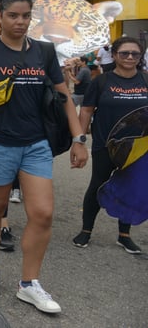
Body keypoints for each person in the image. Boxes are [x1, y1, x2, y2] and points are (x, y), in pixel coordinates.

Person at [0, 0, 88, 314]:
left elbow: (64, 96)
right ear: (1, 16)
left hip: (36, 145)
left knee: (42, 214)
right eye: (13, 15)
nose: (20, 21)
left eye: (26, 16)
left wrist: (78, 139)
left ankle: (29, 284)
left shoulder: (43, 52)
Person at [73, 36, 147, 255]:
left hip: (138, 148)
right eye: (124, 53)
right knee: (97, 184)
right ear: (114, 55)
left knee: (131, 188)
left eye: (135, 53)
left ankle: (124, 235)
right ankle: (86, 230)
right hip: (106, 144)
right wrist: (79, 141)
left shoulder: (145, 80)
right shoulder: (102, 81)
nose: (130, 57)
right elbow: (86, 111)